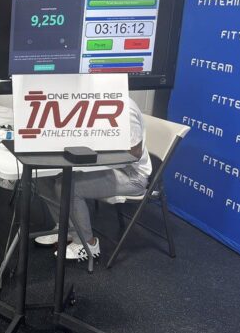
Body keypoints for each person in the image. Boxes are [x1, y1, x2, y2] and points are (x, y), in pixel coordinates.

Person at [34, 98, 152, 260]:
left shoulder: (126, 109)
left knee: (67, 186)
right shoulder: (91, 101)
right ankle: (65, 229)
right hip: (106, 167)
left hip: (131, 175)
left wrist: (94, 158)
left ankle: (88, 244)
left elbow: (134, 154)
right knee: (43, 176)